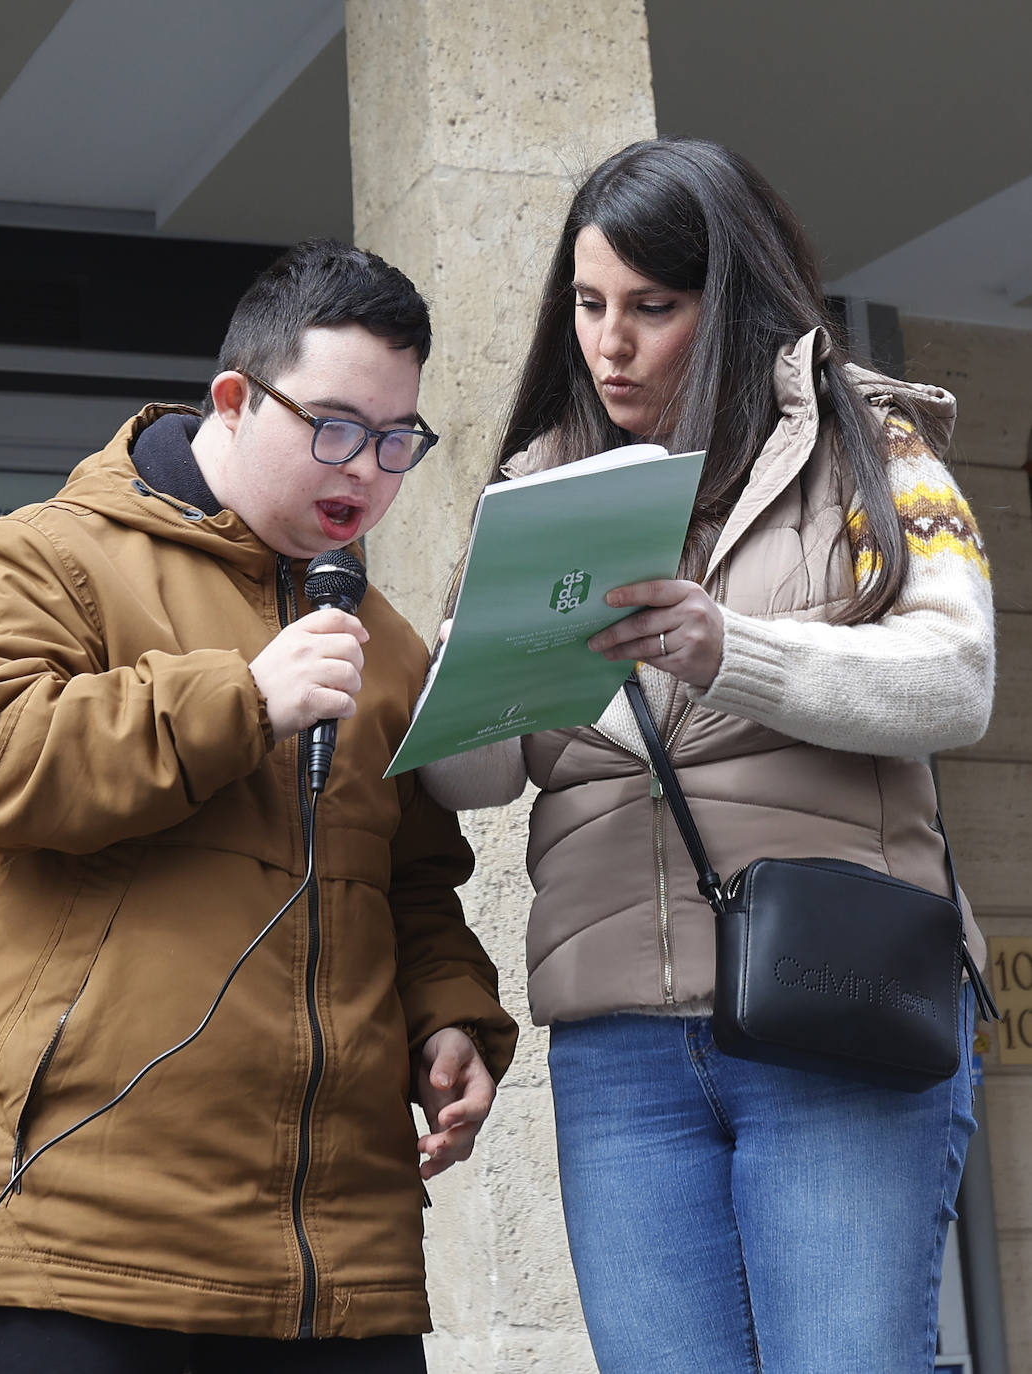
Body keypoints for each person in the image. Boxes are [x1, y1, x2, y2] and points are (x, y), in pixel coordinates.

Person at [419, 138, 994, 1374]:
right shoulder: (532, 492)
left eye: (651, 307)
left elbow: (960, 678)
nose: (608, 343)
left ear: (726, 298)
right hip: (617, 1039)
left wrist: (732, 649)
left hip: (828, 1007)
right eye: (586, 305)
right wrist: (457, 687)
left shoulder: (869, 445)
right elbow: (481, 781)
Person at [0, 238, 517, 1374]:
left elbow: (413, 883)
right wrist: (241, 696)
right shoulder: (43, 559)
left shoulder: (376, 643)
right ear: (233, 399)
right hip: (77, 1246)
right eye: (334, 427)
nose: (365, 470)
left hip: (340, 1273)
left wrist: (449, 1019)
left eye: (396, 441)